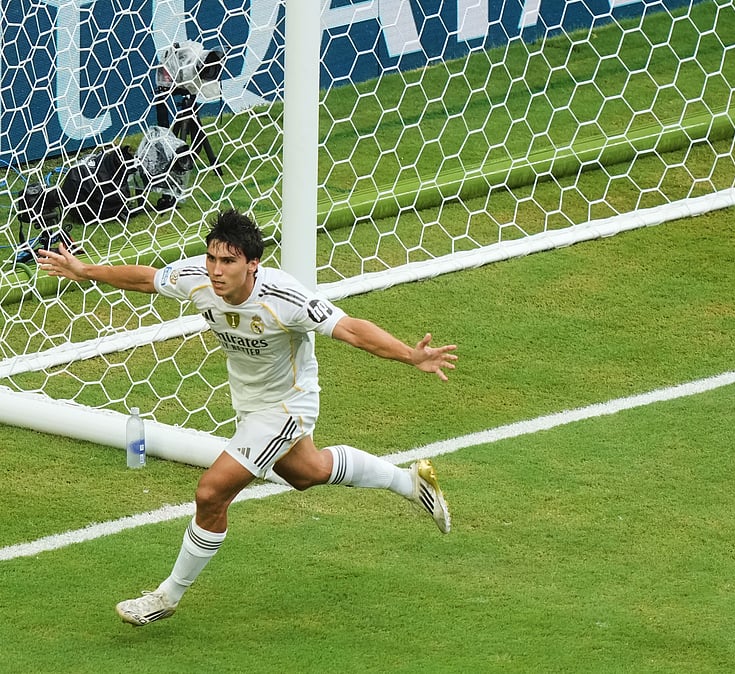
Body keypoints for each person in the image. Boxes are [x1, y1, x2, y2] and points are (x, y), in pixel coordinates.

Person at [36, 208, 458, 626]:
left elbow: (349, 328)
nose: (216, 271)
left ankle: (166, 595)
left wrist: (409, 355)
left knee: (211, 492)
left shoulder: (285, 299)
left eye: (229, 262)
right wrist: (85, 270)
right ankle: (410, 481)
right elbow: (148, 278)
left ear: (252, 265)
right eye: (212, 259)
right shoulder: (197, 278)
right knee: (305, 472)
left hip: (287, 406)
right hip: (249, 403)